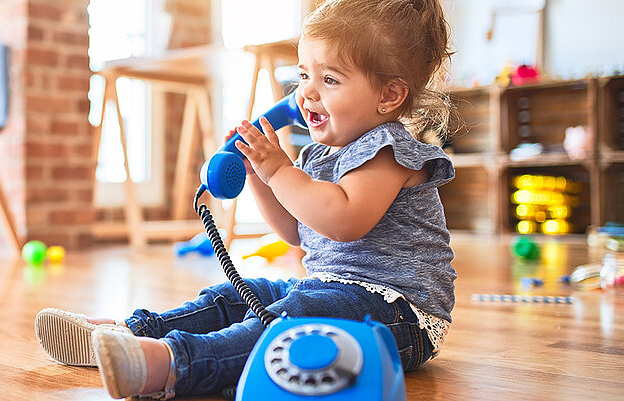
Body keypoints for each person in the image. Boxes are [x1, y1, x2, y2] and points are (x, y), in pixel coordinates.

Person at [35, 0, 457, 398]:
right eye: (304, 74)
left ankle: (172, 364)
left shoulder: (389, 150)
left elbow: (342, 221)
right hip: (331, 289)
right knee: (239, 294)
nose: (307, 93)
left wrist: (279, 171)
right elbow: (297, 230)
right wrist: (258, 175)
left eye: (329, 79)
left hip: (399, 316)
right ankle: (132, 332)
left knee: (288, 316)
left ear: (389, 96)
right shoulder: (319, 154)